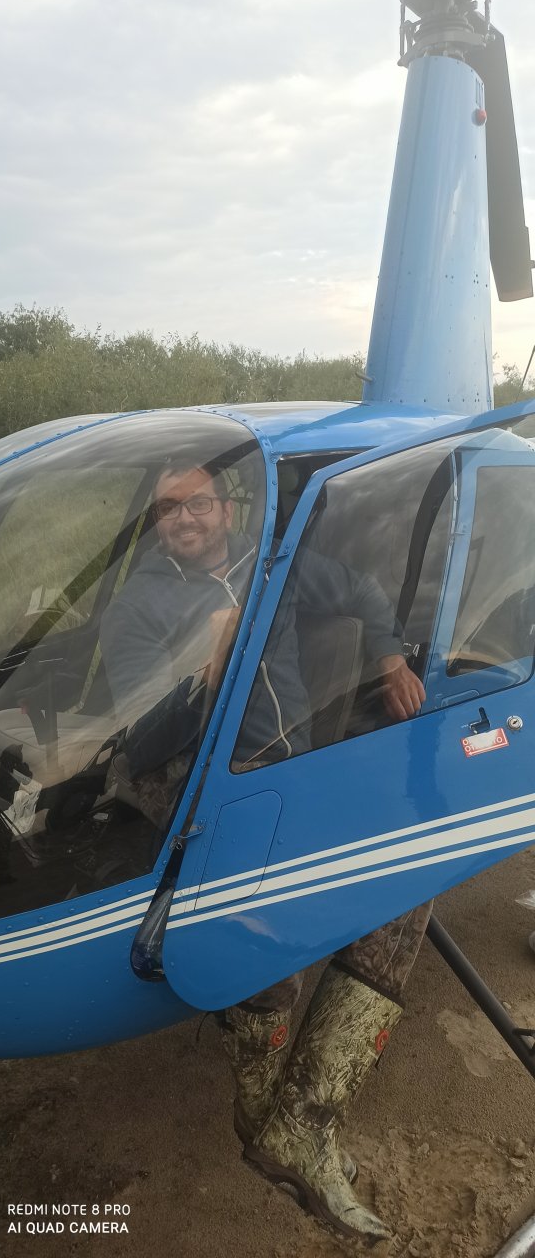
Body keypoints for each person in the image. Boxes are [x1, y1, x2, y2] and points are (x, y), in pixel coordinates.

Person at [101, 460, 429, 1243]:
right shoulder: (139, 605)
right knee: (271, 932)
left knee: (406, 884)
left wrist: (389, 658)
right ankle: (263, 1110)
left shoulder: (272, 564)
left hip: (287, 770)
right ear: (156, 524)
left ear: (226, 507)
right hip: (192, 779)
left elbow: (362, 591)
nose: (186, 518)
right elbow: (135, 740)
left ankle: (303, 1120)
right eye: (169, 509)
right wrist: (204, 677)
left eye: (199, 503)